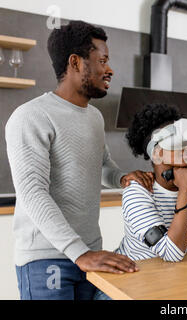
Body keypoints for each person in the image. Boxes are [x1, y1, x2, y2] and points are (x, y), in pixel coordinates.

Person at [5, 20, 154, 300]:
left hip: (90, 254)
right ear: (75, 62)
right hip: (46, 259)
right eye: (102, 60)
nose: (109, 70)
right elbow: (32, 193)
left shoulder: (94, 117)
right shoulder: (31, 116)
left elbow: (102, 165)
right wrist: (79, 253)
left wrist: (121, 178)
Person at [94, 103, 187, 300]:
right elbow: (171, 253)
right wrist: (184, 190)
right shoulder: (138, 192)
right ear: (157, 152)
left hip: (163, 281)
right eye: (181, 145)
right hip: (121, 286)